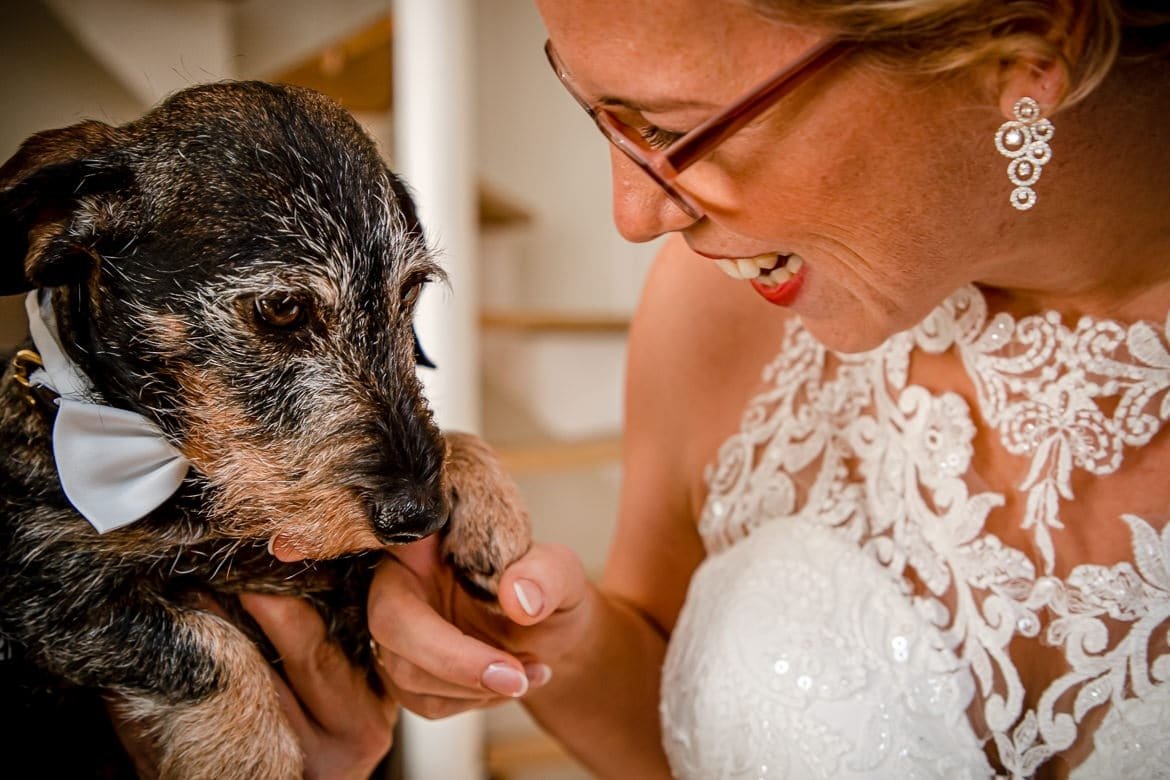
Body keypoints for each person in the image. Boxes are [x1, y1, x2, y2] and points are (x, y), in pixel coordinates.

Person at [261, 0, 1170, 777]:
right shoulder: (716, 313)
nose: (634, 214)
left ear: (1021, 49)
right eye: (600, 118)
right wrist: (556, 650)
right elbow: (676, 736)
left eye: (670, 126)